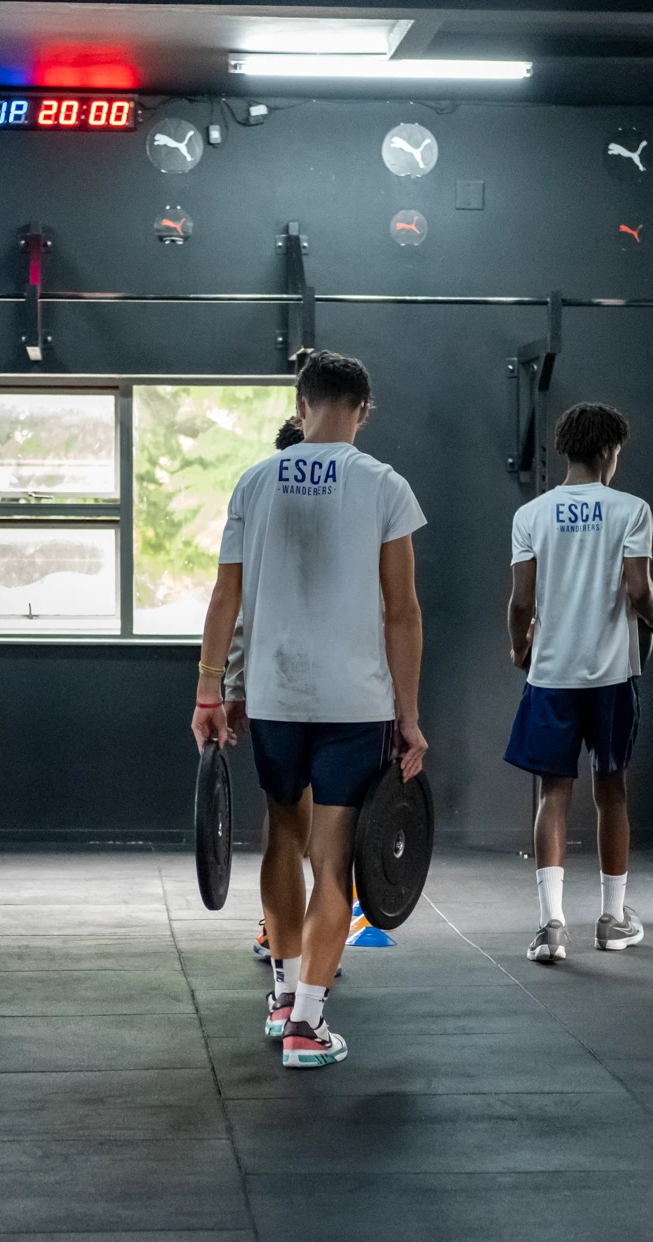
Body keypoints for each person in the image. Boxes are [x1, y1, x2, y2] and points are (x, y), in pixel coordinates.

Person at [192, 352, 427, 1070]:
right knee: (333, 861)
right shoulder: (384, 484)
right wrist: (409, 717)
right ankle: (308, 1024)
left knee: (281, 839)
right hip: (355, 702)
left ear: (300, 407)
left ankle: (282, 995)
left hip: (275, 697)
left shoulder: (254, 481)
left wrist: (209, 692)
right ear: (364, 410)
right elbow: (402, 612)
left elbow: (225, 597)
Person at [504, 403, 653, 962]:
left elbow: (521, 601)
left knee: (554, 792)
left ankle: (551, 927)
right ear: (606, 451)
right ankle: (612, 921)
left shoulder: (531, 514)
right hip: (611, 675)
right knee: (611, 789)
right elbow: (638, 589)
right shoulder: (631, 509)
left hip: (552, 674)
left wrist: (519, 646)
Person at [230, 417, 308, 967]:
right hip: (313, 692)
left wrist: (231, 686)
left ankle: (287, 937)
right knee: (297, 815)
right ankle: (288, 936)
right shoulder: (265, 505)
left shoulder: (259, 495)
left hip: (278, 690)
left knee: (286, 813)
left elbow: (237, 610)